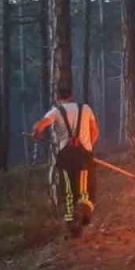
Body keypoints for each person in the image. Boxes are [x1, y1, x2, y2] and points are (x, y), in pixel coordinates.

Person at [32, 89, 100, 235]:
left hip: (65, 157)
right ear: (72, 96)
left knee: (68, 191)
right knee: (85, 190)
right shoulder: (86, 109)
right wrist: (88, 147)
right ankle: (83, 212)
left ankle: (72, 224)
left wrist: (36, 132)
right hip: (84, 157)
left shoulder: (55, 111)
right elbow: (95, 132)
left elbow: (40, 126)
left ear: (57, 98)